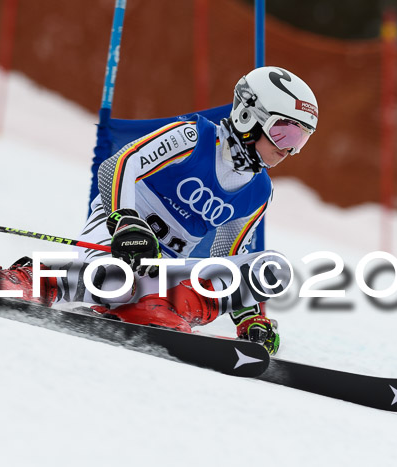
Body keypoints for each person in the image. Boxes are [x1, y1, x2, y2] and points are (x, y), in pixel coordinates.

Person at [71, 66, 319, 355]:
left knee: (272, 268)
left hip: (162, 271)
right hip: (117, 241)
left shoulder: (260, 191)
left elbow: (227, 257)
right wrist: (125, 222)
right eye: (284, 133)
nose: (288, 150)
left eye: (299, 140)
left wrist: (249, 318)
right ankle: (31, 278)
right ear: (248, 116)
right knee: (116, 280)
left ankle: (156, 308)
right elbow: (117, 165)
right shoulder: (192, 137)